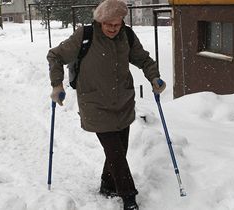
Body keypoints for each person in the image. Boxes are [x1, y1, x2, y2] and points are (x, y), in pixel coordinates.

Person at [46, 0, 166, 209]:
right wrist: (57, 85)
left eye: (117, 24)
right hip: (95, 103)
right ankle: (129, 198)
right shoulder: (85, 35)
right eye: (108, 24)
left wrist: (154, 78)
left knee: (120, 149)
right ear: (100, 21)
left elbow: (143, 59)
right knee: (116, 153)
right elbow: (55, 56)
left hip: (123, 102)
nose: (113, 28)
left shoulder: (127, 35)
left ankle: (107, 184)